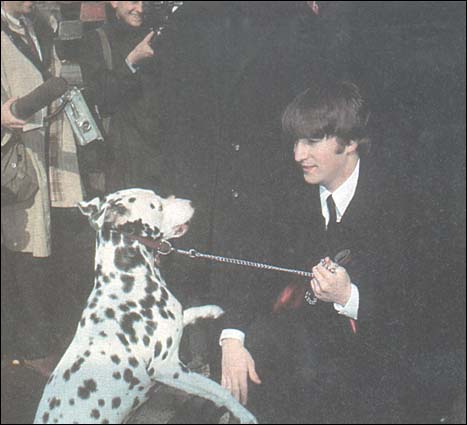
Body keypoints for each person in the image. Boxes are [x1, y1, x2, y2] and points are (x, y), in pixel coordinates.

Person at [219, 80, 413, 423]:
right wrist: (233, 339)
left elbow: (418, 313)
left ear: (350, 142)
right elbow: (247, 266)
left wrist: (349, 296)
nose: (298, 155)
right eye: (296, 141)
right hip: (300, 365)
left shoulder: (401, 204)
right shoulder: (286, 192)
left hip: (376, 368)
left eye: (312, 141)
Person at [1, 1, 89, 376]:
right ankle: (33, 356)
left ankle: (51, 349)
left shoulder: (35, 27)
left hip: (51, 159)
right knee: (25, 250)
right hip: (18, 164)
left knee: (54, 250)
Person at [78, 0, 161, 193]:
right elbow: (103, 97)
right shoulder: (96, 40)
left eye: (144, 3)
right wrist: (131, 61)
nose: (140, 9)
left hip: (157, 154)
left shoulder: (155, 38)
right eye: (133, 2)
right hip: (121, 158)